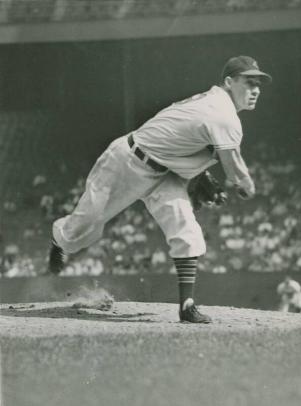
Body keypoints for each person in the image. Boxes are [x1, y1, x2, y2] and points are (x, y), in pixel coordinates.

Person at [48, 55, 272, 323]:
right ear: (228, 82)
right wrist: (247, 186)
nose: (256, 89)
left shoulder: (216, 105)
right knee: (86, 225)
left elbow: (187, 141)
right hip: (126, 161)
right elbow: (236, 171)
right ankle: (59, 239)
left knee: (187, 230)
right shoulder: (222, 114)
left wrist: (201, 176)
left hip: (164, 173)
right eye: (249, 82)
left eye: (258, 83)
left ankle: (187, 307)